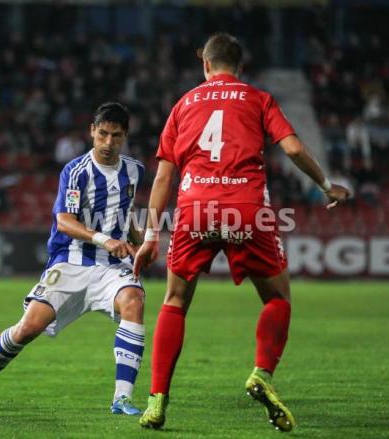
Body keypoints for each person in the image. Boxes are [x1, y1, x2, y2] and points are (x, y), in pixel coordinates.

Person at [133, 33, 349, 432]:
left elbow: (164, 174)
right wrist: (325, 185)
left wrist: (150, 237)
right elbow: (294, 149)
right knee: (278, 298)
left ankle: (157, 401)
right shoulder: (258, 98)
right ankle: (261, 374)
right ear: (241, 67)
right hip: (246, 209)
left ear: (206, 66)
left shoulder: (183, 105)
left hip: (194, 208)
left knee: (175, 301)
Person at [0, 103, 147, 415]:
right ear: (92, 132)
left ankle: (121, 398)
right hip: (70, 262)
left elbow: (127, 215)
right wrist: (105, 239)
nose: (108, 143)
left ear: (125, 136)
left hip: (112, 267)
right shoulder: (76, 171)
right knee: (28, 328)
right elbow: (64, 221)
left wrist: (141, 245)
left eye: (116, 136)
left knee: (134, 302)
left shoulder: (134, 170)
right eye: (103, 134)